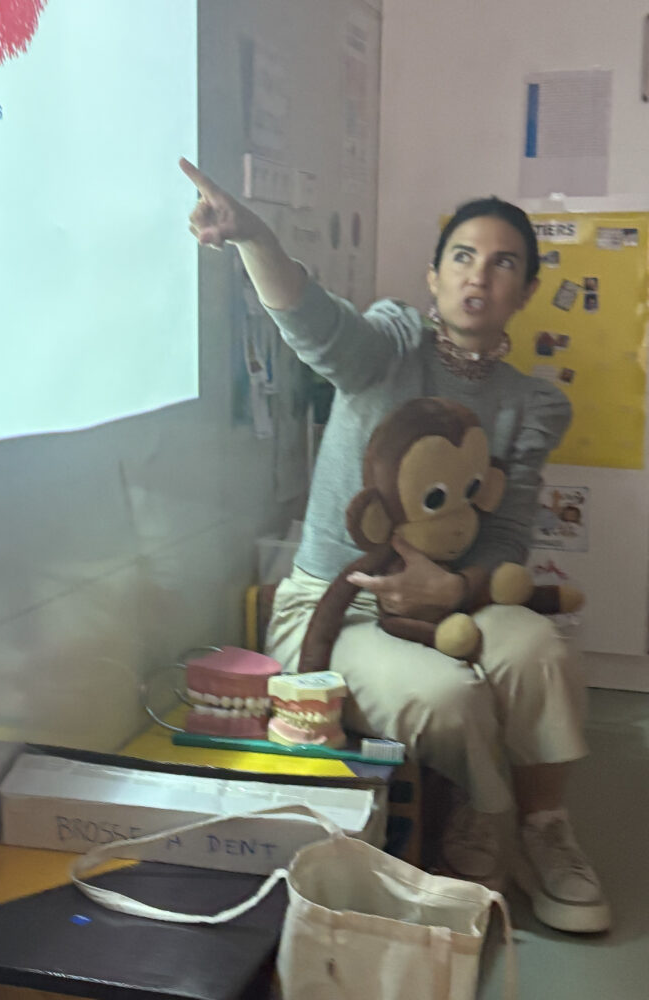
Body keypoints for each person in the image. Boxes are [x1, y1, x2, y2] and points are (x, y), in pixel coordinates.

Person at [180, 157, 610, 935]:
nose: (480, 274)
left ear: (525, 291)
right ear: (434, 277)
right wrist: (256, 238)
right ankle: (485, 813)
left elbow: (507, 542)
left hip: (455, 601)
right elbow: (313, 321)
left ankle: (546, 831)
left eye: (504, 263)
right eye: (463, 256)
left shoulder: (529, 403)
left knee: (540, 650)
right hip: (335, 607)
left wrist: (454, 590)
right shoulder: (388, 348)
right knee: (450, 696)